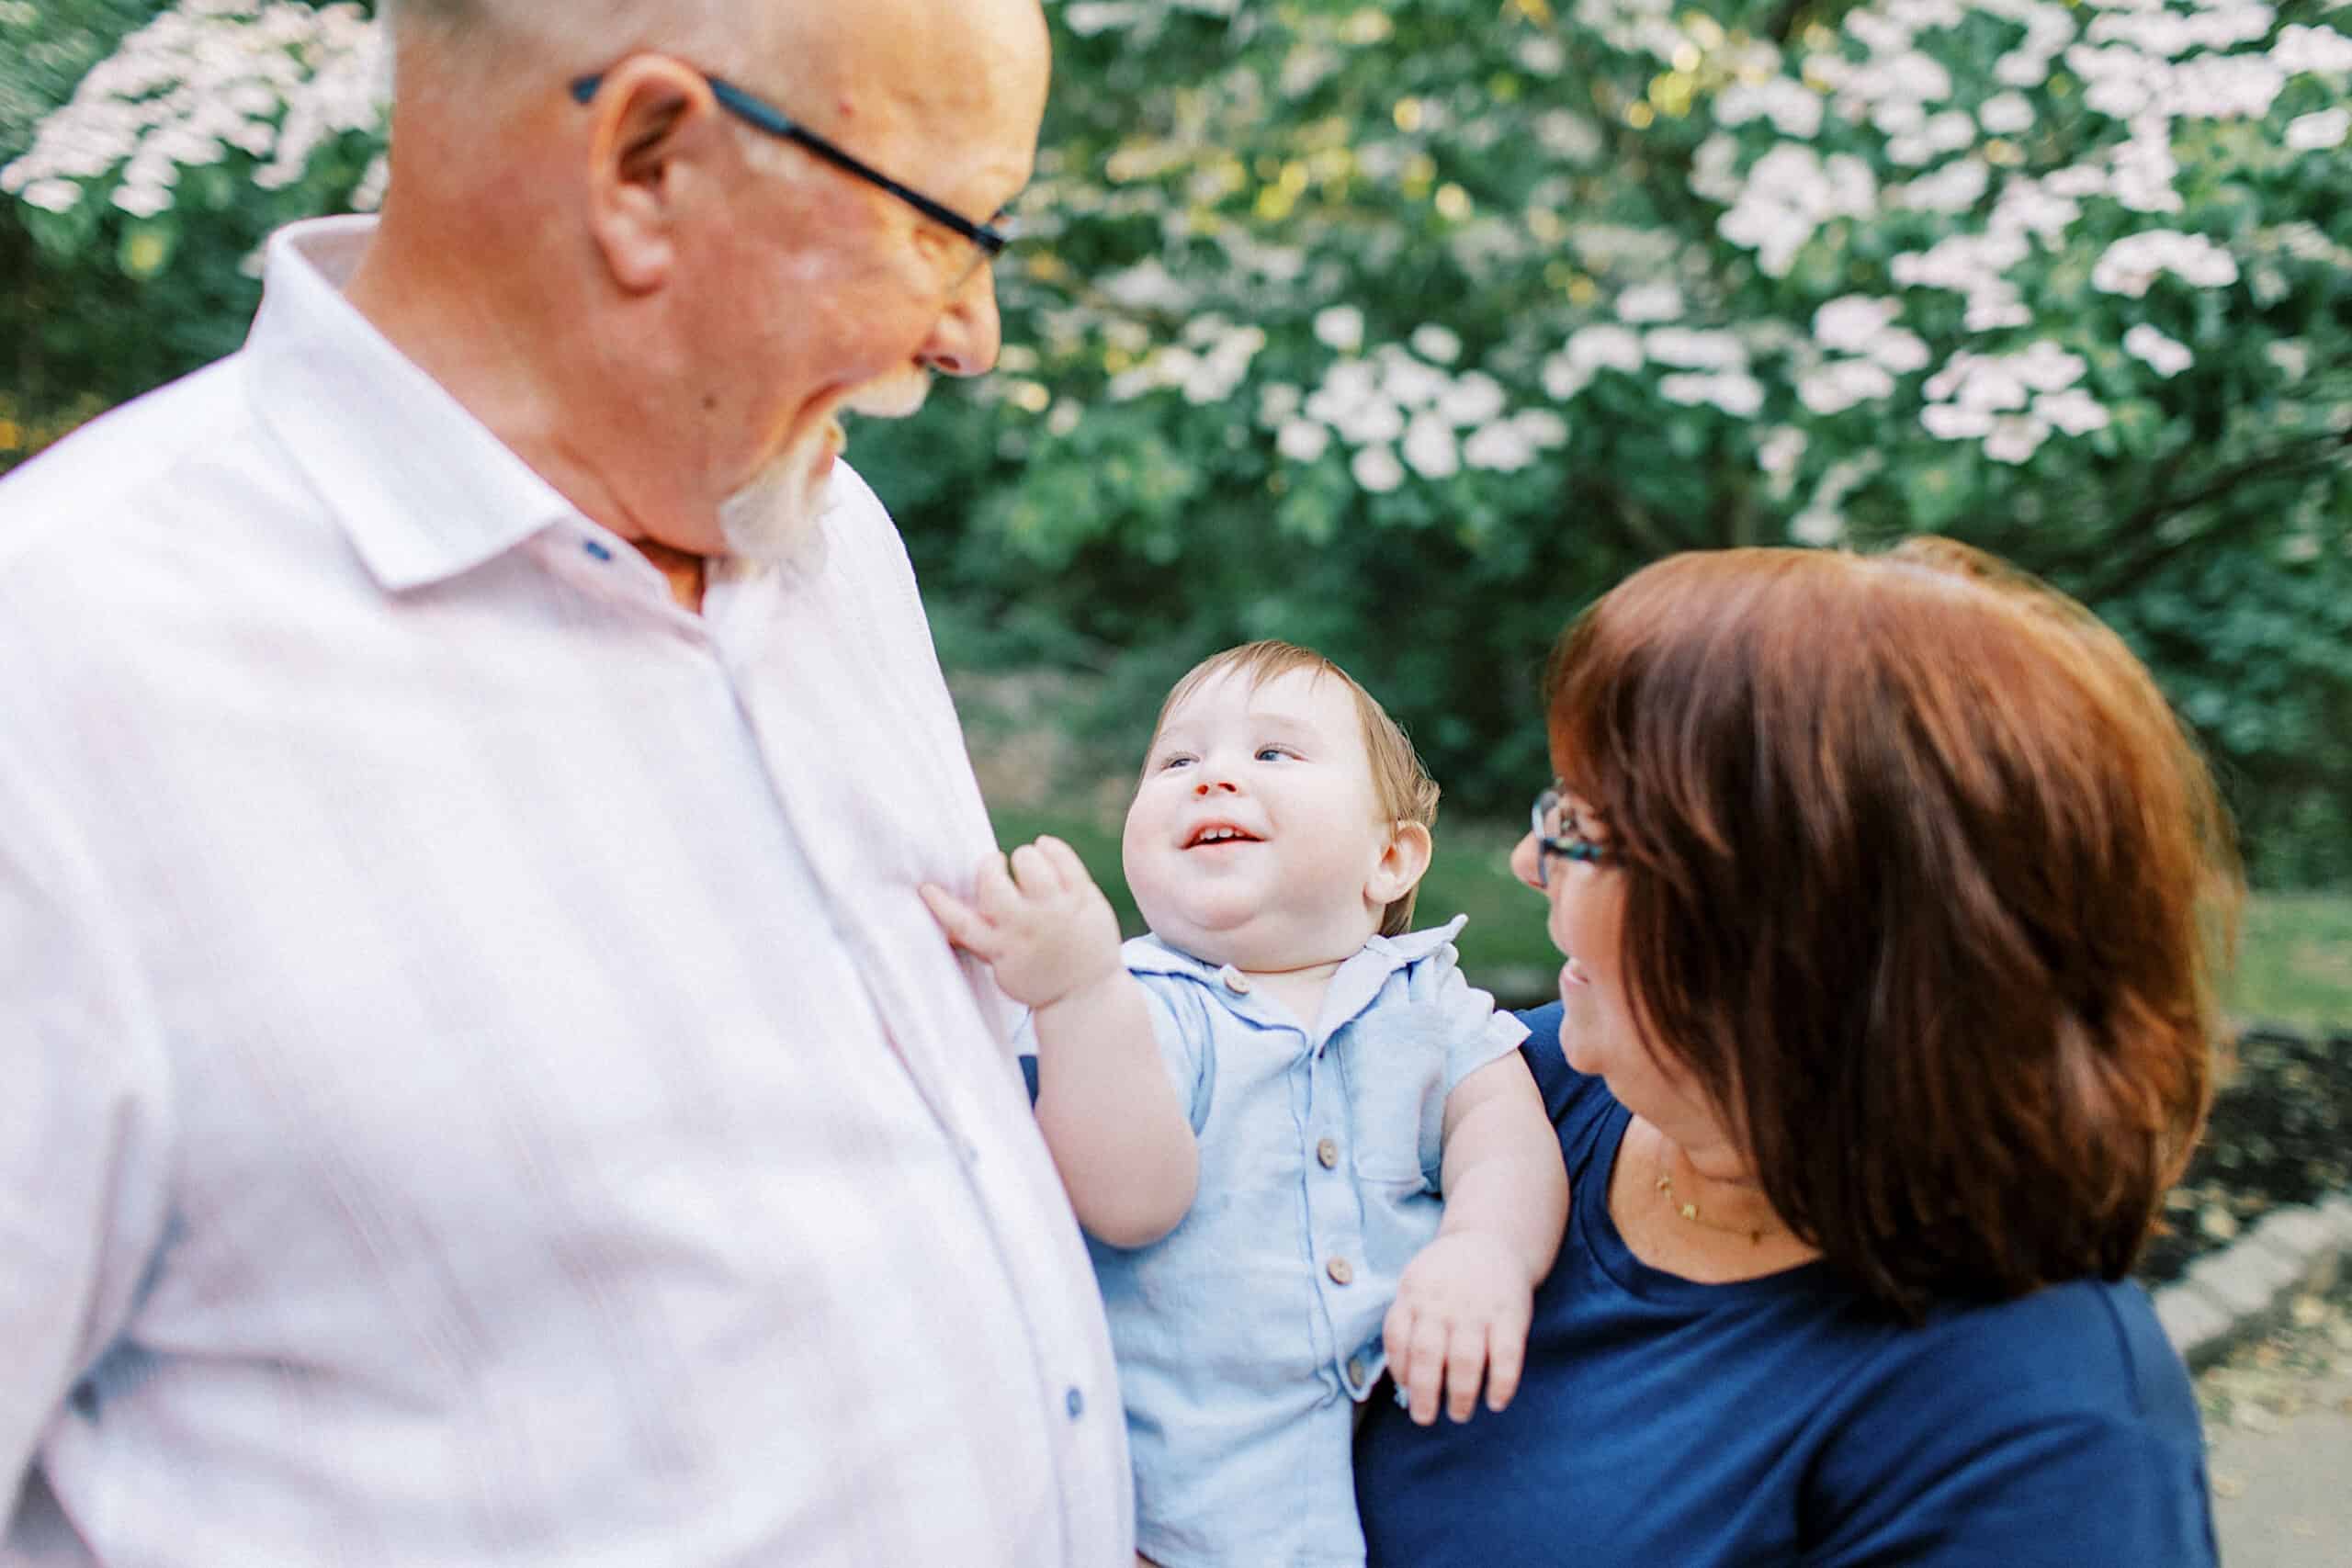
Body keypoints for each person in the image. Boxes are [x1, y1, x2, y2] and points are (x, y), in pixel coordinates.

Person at [0, 1, 1136, 1562]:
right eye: (950, 232)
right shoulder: (50, 683)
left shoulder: (827, 540)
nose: (972, 334)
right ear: (649, 163)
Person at [1353, 537, 2231, 1565]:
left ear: (1793, 922)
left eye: (1582, 829)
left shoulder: (2040, 1437)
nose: (1526, 863)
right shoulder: (1511, 1097)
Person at [923, 640, 1569, 1568]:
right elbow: (1129, 1201)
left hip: (1398, 1487)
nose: (1213, 778)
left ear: (1389, 858)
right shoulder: (1134, 1003)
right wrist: (1076, 996)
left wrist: (1485, 1251)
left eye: (1273, 754)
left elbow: (1502, 1139)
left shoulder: (1425, 998)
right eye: (1177, 761)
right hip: (1170, 1515)